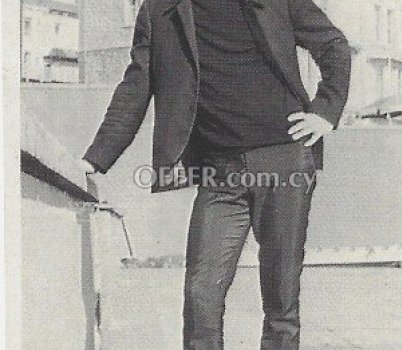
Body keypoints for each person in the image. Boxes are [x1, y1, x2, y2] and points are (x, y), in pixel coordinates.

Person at [82, 0, 351, 349]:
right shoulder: (160, 10)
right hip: (220, 173)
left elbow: (333, 45)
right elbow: (136, 86)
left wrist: (326, 110)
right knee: (200, 295)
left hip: (283, 159)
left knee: (281, 299)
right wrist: (96, 158)